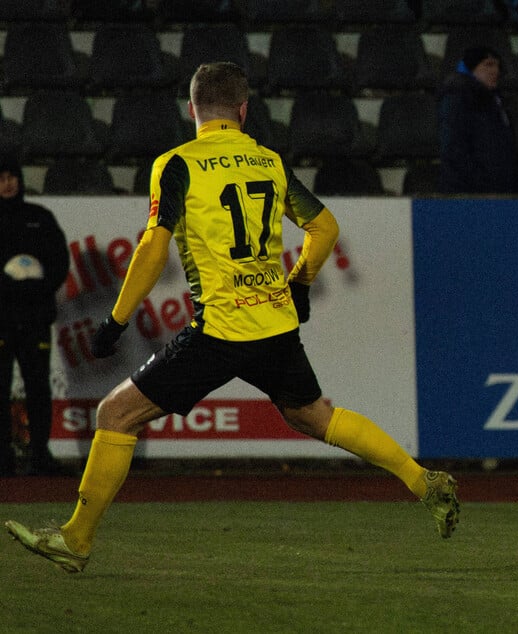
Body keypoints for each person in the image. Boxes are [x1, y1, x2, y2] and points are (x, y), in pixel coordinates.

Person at [4, 62, 460, 573]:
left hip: (220, 328)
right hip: (275, 323)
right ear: (244, 110)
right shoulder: (269, 161)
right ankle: (423, 480)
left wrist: (116, 320)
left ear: (192, 108)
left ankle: (77, 539)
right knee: (314, 416)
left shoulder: (177, 164)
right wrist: (301, 283)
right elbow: (325, 227)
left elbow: (154, 249)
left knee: (115, 415)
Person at [0, 152, 71, 477]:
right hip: (2, 317)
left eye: (12, 176)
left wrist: (34, 289)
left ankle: (40, 454)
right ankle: (3, 458)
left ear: (20, 179)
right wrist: (10, 287)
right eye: (1, 178)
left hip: (35, 317)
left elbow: (59, 263)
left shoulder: (40, 217)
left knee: (38, 387)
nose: (7, 183)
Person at [437, 46, 518, 195]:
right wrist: (481, 183)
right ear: (471, 67)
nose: (495, 71)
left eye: (497, 66)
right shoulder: (456, 98)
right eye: (488, 64)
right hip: (469, 194)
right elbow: (454, 149)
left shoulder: (496, 101)